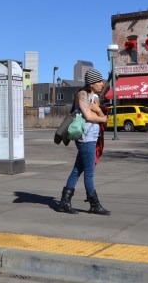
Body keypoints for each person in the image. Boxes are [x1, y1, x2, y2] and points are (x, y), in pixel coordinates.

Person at [57, 69, 110, 215]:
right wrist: (102, 117)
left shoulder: (95, 97)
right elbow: (88, 116)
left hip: (93, 137)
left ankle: (64, 202)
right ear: (91, 83)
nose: (102, 84)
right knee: (89, 173)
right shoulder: (82, 95)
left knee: (76, 170)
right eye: (99, 81)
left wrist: (99, 112)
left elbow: (100, 116)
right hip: (86, 138)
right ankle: (94, 204)